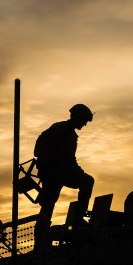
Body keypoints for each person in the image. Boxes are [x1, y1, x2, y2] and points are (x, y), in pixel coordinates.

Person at [33, 103, 95, 249]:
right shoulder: (61, 130)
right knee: (47, 207)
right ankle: (39, 244)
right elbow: (40, 149)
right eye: (84, 120)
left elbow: (69, 159)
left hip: (60, 173)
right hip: (54, 174)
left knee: (48, 207)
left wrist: (76, 171)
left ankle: (39, 244)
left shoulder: (66, 132)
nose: (85, 124)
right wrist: (49, 165)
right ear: (77, 117)